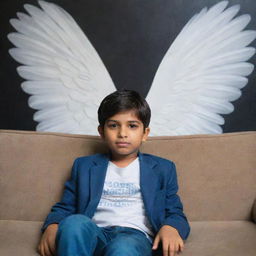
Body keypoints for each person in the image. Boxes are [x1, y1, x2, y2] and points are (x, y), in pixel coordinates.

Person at [37, 89, 190, 256]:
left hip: (135, 237)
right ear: (102, 132)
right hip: (94, 234)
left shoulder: (163, 168)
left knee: (123, 248)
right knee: (74, 223)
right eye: (113, 125)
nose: (122, 134)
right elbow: (66, 206)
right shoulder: (84, 166)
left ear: (145, 133)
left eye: (132, 126)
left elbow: (175, 211)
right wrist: (52, 226)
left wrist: (171, 227)